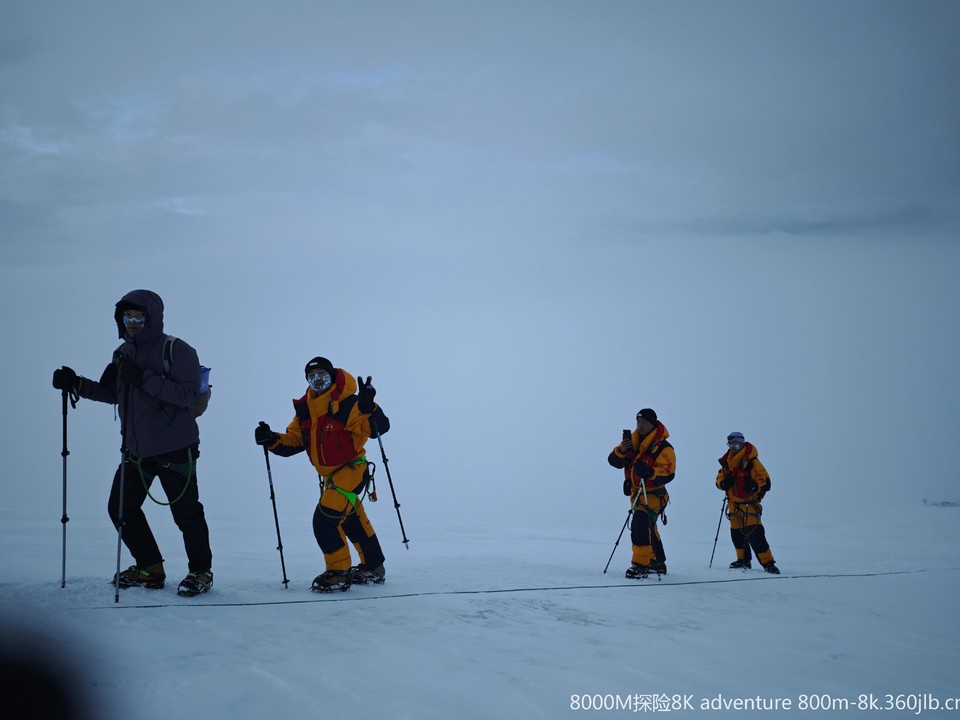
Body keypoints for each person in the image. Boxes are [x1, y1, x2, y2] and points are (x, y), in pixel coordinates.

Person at [51, 289, 214, 596]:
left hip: (176, 448)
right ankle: (150, 568)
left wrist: (142, 377)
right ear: (120, 319)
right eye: (128, 317)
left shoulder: (178, 350)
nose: (133, 323)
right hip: (137, 450)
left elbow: (186, 396)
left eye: (139, 317)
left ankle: (201, 572)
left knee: (187, 514)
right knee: (121, 508)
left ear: (152, 319)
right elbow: (114, 394)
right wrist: (78, 384)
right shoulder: (122, 354)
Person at [255, 357, 390, 592]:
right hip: (332, 477)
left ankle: (338, 573)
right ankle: (373, 567)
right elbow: (295, 441)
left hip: (352, 470)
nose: (317, 380)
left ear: (332, 377)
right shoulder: (306, 410)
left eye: (322, 376)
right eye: (312, 377)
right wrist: (272, 439)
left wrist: (370, 407)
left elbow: (378, 428)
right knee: (351, 518)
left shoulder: (349, 403)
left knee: (325, 519)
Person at [607, 408, 676, 578]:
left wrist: (649, 472)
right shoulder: (631, 442)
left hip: (654, 494)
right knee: (648, 527)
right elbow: (613, 461)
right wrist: (621, 451)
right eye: (638, 422)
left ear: (653, 423)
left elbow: (668, 473)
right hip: (637, 493)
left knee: (640, 522)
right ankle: (657, 562)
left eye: (644, 422)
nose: (640, 425)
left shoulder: (663, 447)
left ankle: (640, 565)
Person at [716, 431, 779, 574]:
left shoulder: (752, 462)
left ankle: (768, 563)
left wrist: (754, 486)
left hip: (749, 505)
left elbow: (766, 482)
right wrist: (723, 483)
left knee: (756, 535)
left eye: (736, 444)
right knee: (737, 535)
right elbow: (718, 480)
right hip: (733, 505)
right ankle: (743, 560)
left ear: (742, 443)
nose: (733, 447)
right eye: (730, 444)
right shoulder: (727, 462)